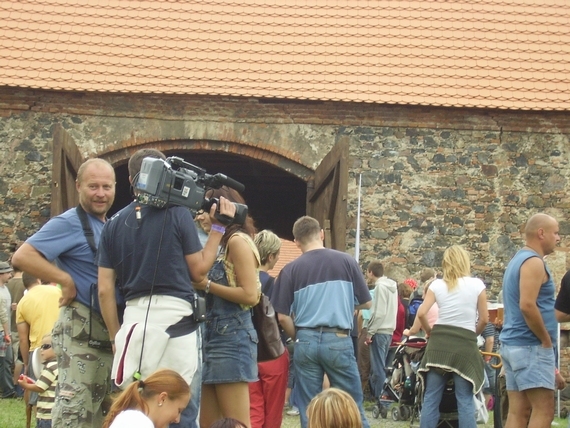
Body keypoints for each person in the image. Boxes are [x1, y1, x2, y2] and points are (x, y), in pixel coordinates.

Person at [97, 149, 235, 427]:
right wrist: (219, 229)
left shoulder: (112, 225)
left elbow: (104, 290)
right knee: (179, 408)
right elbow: (198, 270)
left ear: (130, 178)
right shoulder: (177, 213)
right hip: (177, 324)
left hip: (134, 326)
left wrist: (115, 336)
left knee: (139, 405)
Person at [12, 157, 116, 427]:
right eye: (93, 186)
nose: (101, 193)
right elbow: (23, 257)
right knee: (76, 417)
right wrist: (64, 279)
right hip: (83, 337)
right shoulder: (70, 222)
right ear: (78, 185)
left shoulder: (109, 225)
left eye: (107, 186)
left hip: (105, 338)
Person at [271, 216, 372, 428]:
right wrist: (347, 305)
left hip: (305, 339)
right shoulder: (346, 261)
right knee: (352, 404)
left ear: (296, 242)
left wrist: (299, 336)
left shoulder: (290, 270)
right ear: (322, 234)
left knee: (310, 407)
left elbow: (281, 316)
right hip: (338, 338)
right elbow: (367, 303)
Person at [192, 186, 260, 428]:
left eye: (204, 211)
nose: (199, 217)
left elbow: (250, 295)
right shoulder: (217, 244)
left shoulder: (238, 241)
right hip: (210, 338)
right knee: (210, 424)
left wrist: (207, 285)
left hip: (231, 338)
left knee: (237, 424)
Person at [500, 213, 561, 428]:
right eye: (555, 232)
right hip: (530, 345)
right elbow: (527, 305)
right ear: (541, 233)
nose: (558, 238)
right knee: (544, 410)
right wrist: (545, 341)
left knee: (518, 412)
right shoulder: (533, 262)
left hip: (513, 344)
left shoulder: (517, 260)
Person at [417, 245, 488, 428]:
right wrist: (474, 334)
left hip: (439, 343)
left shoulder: (437, 285)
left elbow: (422, 313)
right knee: (464, 399)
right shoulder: (477, 285)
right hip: (464, 344)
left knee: (431, 397)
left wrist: (430, 332)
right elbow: (485, 319)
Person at [248, 230, 289, 428]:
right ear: (271, 256)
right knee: (272, 414)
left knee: (253, 410)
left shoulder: (241, 278)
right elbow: (282, 317)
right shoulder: (274, 284)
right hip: (272, 353)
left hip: (247, 352)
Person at [16, 272, 61, 425]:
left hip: (38, 350)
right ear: (38, 279)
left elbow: (23, 338)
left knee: (36, 394)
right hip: (63, 345)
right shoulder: (56, 291)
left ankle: (36, 421)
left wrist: (26, 363)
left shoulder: (23, 301)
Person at [102, 369, 190, 428]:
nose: (177, 420)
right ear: (162, 398)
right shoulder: (140, 423)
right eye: (179, 410)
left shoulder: (130, 418)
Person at [364, 261, 398, 400]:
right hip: (389, 329)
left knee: (377, 367)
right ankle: (384, 394)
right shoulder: (393, 287)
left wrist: (370, 332)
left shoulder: (379, 288)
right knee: (383, 365)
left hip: (380, 329)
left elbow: (378, 312)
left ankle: (380, 397)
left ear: (371, 272)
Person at [17, 334, 58, 428]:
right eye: (41, 346)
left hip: (47, 416)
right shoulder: (61, 366)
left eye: (46, 346)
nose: (41, 350)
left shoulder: (50, 367)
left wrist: (25, 385)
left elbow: (40, 387)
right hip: (56, 414)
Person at [357, 264, 376, 401]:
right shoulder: (384, 293)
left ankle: (360, 393)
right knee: (370, 363)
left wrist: (359, 332)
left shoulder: (368, 296)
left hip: (366, 328)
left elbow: (361, 315)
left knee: (362, 363)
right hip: (379, 329)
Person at [6, 262, 25, 396]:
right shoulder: (26, 284)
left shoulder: (6, 284)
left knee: (7, 360)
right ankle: (16, 387)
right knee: (19, 359)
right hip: (19, 326)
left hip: (7, 326)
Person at [0, 261, 15, 398]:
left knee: (7, 361)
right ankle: (8, 391)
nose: (10, 275)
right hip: (2, 331)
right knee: (5, 361)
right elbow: (2, 315)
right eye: (8, 272)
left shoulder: (5, 288)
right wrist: (6, 333)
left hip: (5, 330)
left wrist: (12, 307)